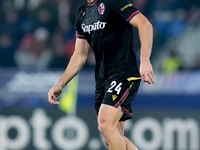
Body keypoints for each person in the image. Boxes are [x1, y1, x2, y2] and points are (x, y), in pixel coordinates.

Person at [48, 0, 155, 149]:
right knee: (114, 135)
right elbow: (79, 56)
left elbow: (145, 24)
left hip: (123, 73)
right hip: (102, 79)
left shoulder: (113, 2)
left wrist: (145, 60)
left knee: (104, 125)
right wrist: (60, 85)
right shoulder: (82, 13)